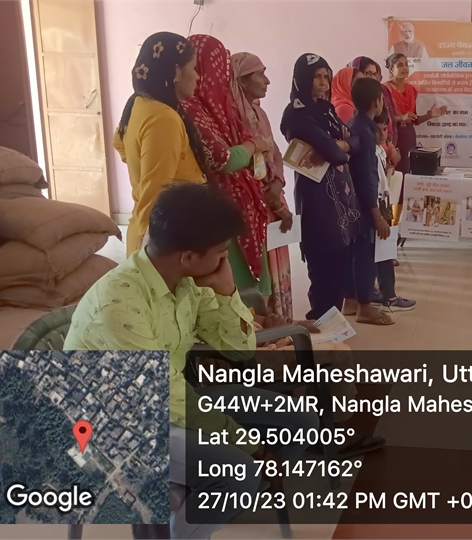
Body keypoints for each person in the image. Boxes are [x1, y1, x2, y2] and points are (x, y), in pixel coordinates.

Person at [64, 183, 319, 539]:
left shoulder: (187, 280)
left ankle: (199, 504)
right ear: (188, 257)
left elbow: (240, 350)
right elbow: (167, 398)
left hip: (168, 402)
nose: (225, 261)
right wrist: (251, 447)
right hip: (114, 425)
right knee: (239, 473)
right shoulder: (119, 305)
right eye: (221, 253)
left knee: (300, 420)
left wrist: (227, 290)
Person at [182, 35, 275, 310]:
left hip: (244, 202)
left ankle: (261, 320)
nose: (223, 79)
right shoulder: (190, 110)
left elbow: (256, 152)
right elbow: (223, 159)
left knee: (252, 289)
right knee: (231, 288)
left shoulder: (220, 108)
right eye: (219, 71)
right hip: (218, 207)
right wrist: (252, 146)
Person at [280, 53, 360, 321]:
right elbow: (336, 154)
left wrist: (340, 145)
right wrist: (341, 146)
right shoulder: (296, 115)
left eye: (327, 76)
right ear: (303, 79)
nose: (324, 82)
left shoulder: (326, 111)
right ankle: (320, 320)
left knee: (340, 263)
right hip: (317, 200)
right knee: (322, 263)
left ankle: (333, 323)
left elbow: (356, 141)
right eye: (317, 77)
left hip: (340, 198)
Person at [114, 32, 207, 256]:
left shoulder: (138, 102)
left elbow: (119, 143)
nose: (197, 77)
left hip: (165, 232)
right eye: (193, 68)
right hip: (165, 242)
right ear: (176, 72)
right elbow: (155, 192)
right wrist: (149, 256)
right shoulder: (163, 118)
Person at [232, 51, 296, 320]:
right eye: (260, 74)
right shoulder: (232, 116)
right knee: (260, 270)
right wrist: (270, 199)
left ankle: (281, 320)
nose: (267, 81)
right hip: (252, 204)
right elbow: (239, 169)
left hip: (272, 198)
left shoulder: (260, 113)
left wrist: (278, 183)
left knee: (277, 263)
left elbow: (276, 153)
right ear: (242, 80)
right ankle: (266, 323)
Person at [344, 77, 395, 326]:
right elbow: (366, 177)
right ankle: (365, 306)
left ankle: (351, 300)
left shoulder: (355, 124)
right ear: (377, 102)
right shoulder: (364, 131)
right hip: (363, 204)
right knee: (365, 253)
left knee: (354, 252)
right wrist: (376, 215)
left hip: (352, 202)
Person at [374, 110, 416, 311]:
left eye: (385, 129)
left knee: (385, 252)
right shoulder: (370, 152)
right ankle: (387, 296)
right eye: (379, 130)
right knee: (382, 253)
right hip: (376, 208)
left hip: (383, 204)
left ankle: (384, 293)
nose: (383, 134)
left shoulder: (381, 150)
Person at [384, 53, 447, 178]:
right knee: (395, 176)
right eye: (400, 65)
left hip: (409, 137)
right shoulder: (385, 89)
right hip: (393, 138)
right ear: (391, 69)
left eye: (406, 64)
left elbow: (415, 119)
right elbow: (382, 118)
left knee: (408, 173)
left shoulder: (411, 90)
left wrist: (430, 115)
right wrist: (400, 118)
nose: (405, 68)